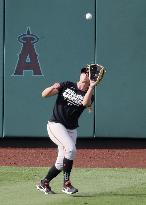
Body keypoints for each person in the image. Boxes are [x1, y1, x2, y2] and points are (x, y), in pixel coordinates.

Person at [36, 66, 101, 195]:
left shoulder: (89, 94)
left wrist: (92, 87)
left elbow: (85, 103)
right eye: (84, 72)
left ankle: (44, 182)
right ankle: (66, 184)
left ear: (91, 78)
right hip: (56, 125)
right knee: (71, 149)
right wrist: (52, 87)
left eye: (87, 73)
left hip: (71, 129)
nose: (84, 74)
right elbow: (44, 95)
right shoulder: (67, 85)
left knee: (61, 161)